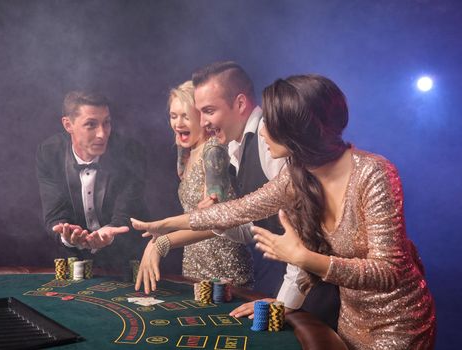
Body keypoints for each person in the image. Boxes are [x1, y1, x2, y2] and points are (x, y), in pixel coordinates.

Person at [133, 74, 437, 349]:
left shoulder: (375, 173)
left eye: (272, 124)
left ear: (296, 131)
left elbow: (389, 272)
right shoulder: (297, 173)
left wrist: (305, 259)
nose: (263, 131)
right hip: (350, 319)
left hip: (397, 324)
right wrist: (168, 225)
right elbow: (238, 210)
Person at [134, 61, 341, 331]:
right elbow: (250, 225)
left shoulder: (271, 141)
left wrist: (285, 301)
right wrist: (214, 221)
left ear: (240, 104)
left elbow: (307, 234)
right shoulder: (234, 147)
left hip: (318, 287)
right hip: (293, 283)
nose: (204, 121)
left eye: (209, 111)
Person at [138, 81, 252, 289]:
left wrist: (162, 242)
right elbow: (193, 213)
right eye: (173, 116)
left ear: (201, 118)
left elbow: (217, 221)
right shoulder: (185, 153)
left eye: (185, 116)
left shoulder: (213, 151)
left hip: (223, 271)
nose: (178, 123)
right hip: (193, 266)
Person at [36, 91, 149, 269]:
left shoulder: (130, 151)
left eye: (107, 123)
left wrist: (109, 233)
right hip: (75, 261)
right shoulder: (49, 153)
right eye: (91, 124)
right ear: (68, 124)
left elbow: (126, 213)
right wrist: (68, 235)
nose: (102, 134)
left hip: (125, 259)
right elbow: (54, 215)